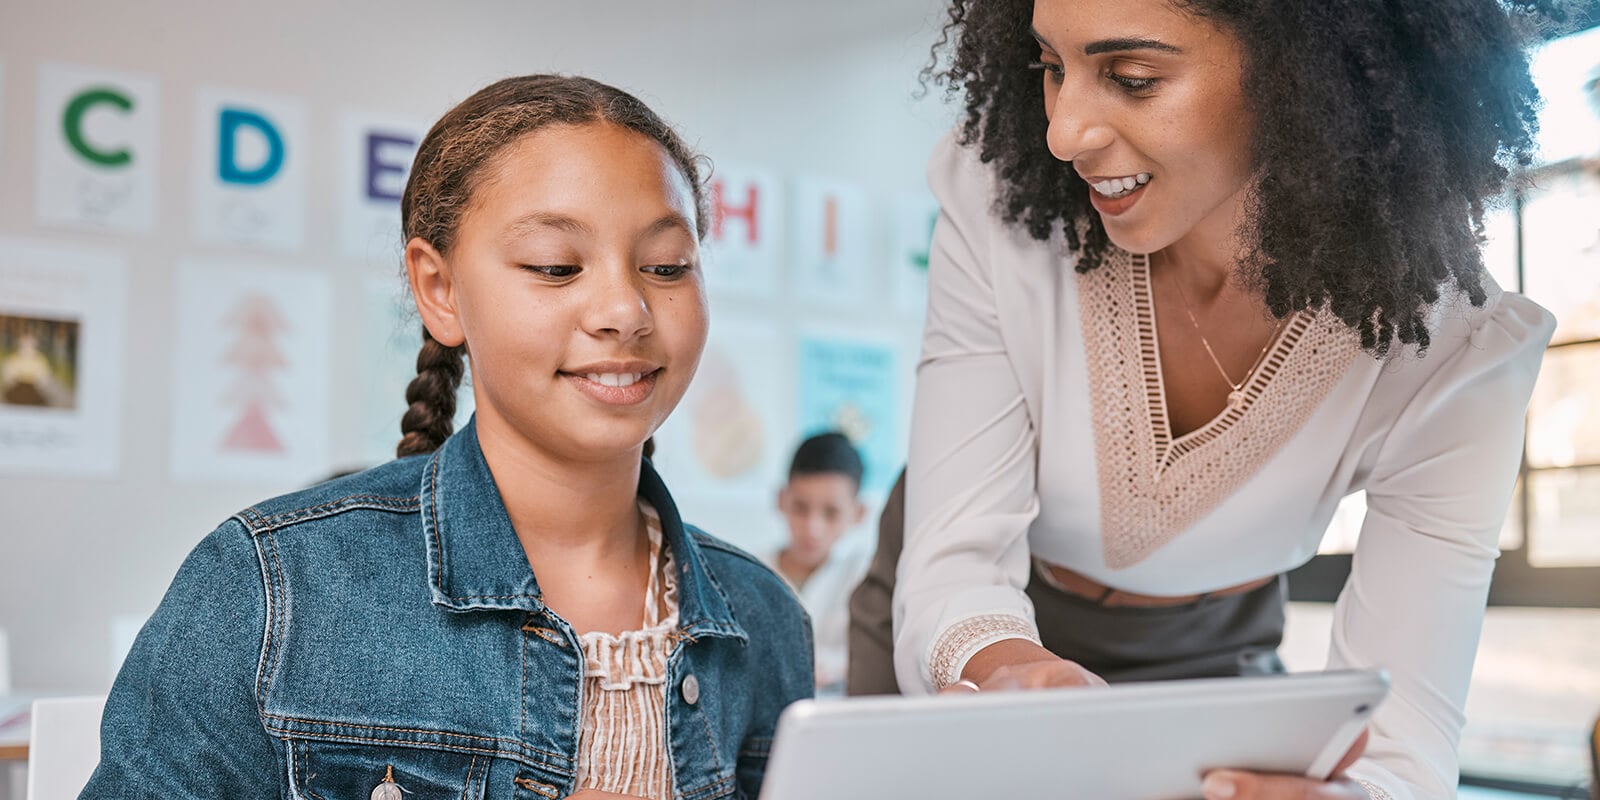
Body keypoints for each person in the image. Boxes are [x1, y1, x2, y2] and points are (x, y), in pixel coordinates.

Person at [858, 1, 1561, 798]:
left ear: (1302, 73)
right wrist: (1014, 673)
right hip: (958, 632)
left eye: (1131, 77)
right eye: (1051, 67)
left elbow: (1407, 748)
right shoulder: (1000, 199)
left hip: (1212, 655)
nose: (1063, 132)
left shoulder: (1458, 355)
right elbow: (951, 565)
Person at [81, 75, 812, 800]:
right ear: (439, 289)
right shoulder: (270, 587)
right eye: (557, 267)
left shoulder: (767, 621)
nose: (625, 309)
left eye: (666, 267)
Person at [763, 432, 872, 696]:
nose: (813, 529)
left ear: (858, 513)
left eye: (831, 513)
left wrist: (836, 668)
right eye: (800, 507)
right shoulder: (749, 570)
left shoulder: (866, 576)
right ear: (781, 500)